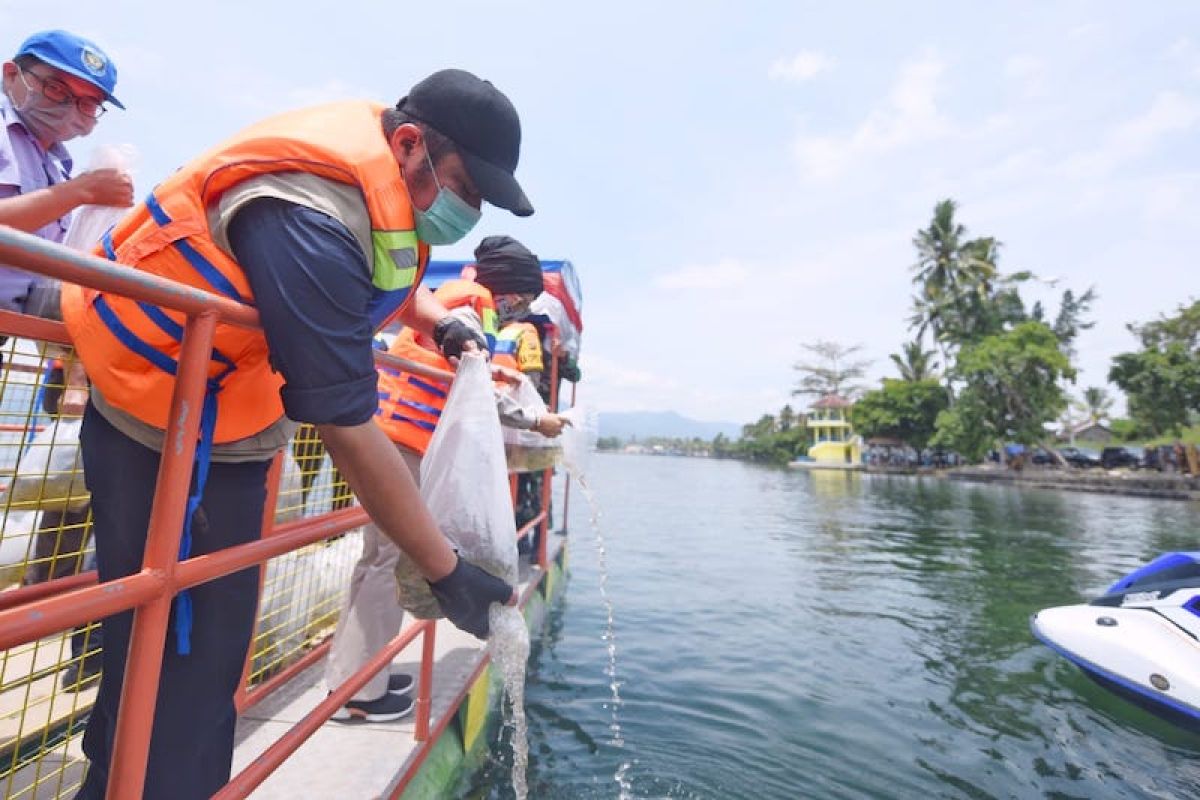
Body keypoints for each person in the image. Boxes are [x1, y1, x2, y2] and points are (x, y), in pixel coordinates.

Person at [60, 69, 529, 799]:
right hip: (161, 421)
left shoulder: (383, 176)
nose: (467, 211)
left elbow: (387, 270)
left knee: (197, 669)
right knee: (177, 675)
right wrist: (447, 572)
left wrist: (438, 319)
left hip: (225, 421)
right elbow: (343, 422)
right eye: (468, 188)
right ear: (409, 145)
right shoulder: (304, 210)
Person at [325, 235, 566, 722]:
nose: (521, 306)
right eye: (522, 296)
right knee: (387, 561)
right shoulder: (473, 310)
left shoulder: (453, 297)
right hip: (404, 444)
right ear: (509, 291)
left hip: (393, 436)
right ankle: (359, 693)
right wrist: (537, 421)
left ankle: (357, 674)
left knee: (377, 560)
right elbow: (477, 388)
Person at [0, 29, 131, 693]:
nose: (74, 111)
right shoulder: (9, 140)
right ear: (10, 74)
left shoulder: (51, 163)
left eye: (89, 105)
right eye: (59, 90)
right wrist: (81, 196)